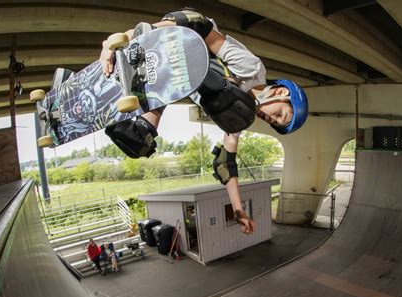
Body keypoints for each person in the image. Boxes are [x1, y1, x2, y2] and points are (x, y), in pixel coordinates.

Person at [100, 9, 308, 235]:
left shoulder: (239, 116)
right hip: (181, 37)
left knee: (138, 140)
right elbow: (203, 29)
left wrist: (238, 210)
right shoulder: (252, 69)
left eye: (275, 124)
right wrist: (139, 36)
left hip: (171, 81)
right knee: (205, 50)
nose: (271, 120)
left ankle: (106, 106)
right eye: (279, 115)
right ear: (279, 92)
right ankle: (143, 37)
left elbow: (225, 164)